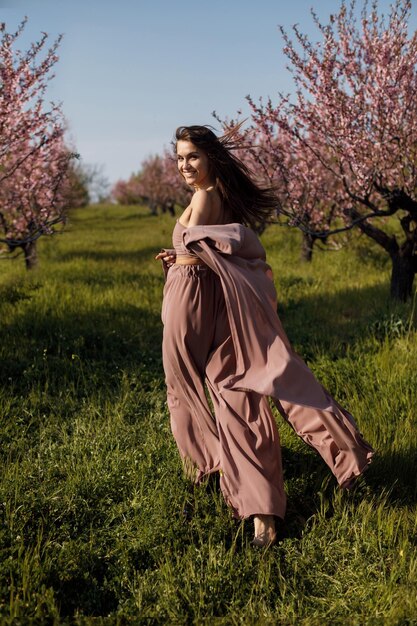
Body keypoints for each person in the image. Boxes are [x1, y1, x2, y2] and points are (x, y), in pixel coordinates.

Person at [155, 125, 373, 547]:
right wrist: (180, 252)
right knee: (236, 392)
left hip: (191, 304)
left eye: (192, 157)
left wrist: (184, 252)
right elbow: (210, 246)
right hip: (215, 300)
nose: (184, 165)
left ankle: (207, 467)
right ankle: (264, 511)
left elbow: (201, 246)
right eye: (180, 158)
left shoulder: (203, 196)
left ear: (211, 158)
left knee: (182, 390)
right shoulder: (216, 194)